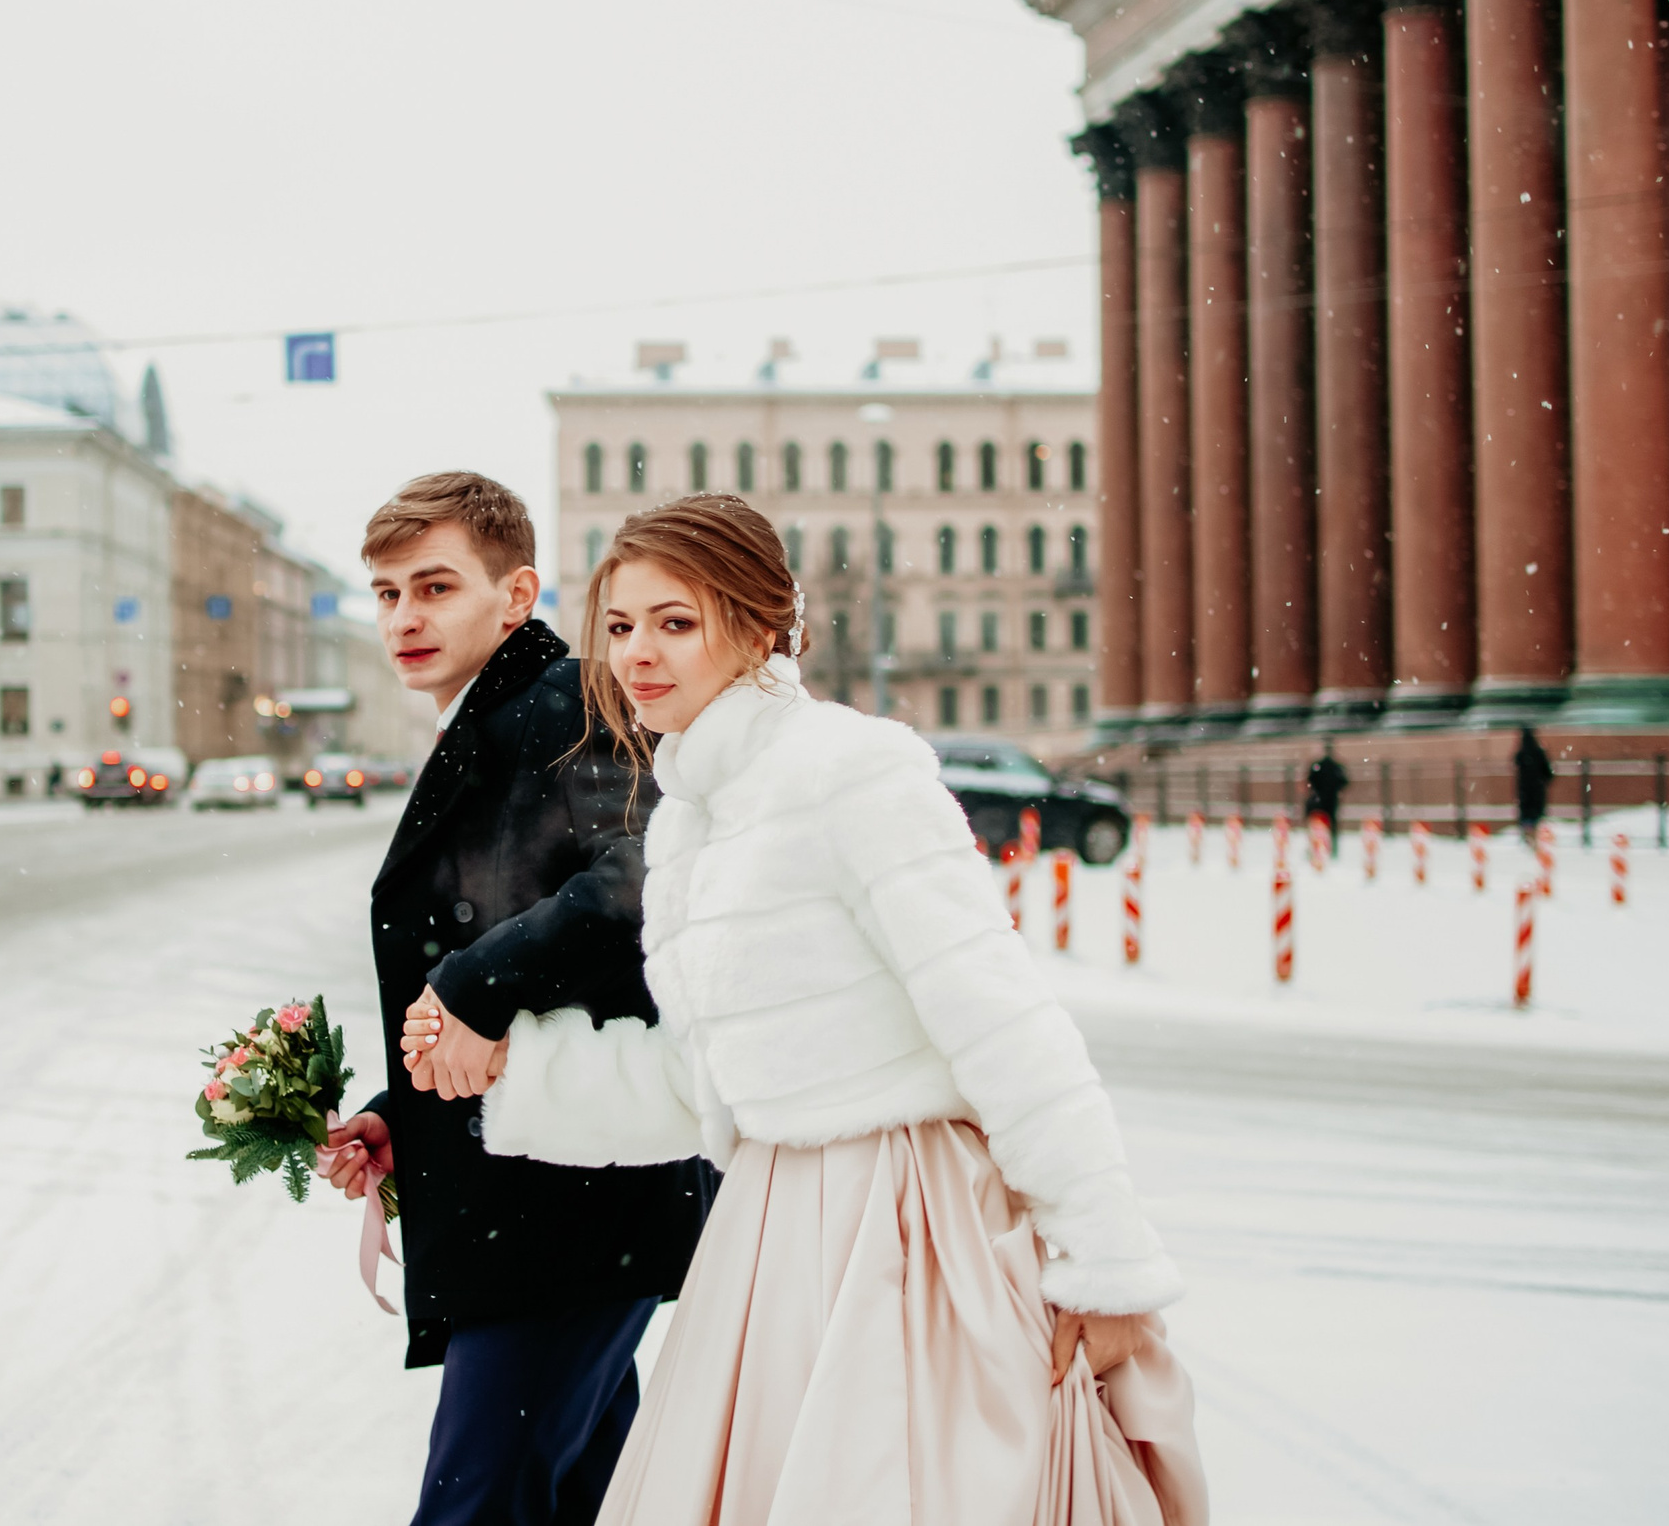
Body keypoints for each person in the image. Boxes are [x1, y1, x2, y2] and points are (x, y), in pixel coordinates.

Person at [408, 495, 1204, 1526]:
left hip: (909, 1224)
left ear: (756, 625)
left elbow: (1003, 1023)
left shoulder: (851, 768)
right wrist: (520, 1065)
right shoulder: (694, 812)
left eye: (674, 621)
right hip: (769, 1232)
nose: (636, 652)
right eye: (619, 625)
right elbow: (714, 1078)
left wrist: (1105, 1265)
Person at [317, 472, 713, 1526]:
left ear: (517, 592)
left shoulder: (567, 703)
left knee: (477, 1504)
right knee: (590, 1494)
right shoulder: (493, 718)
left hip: (569, 1203)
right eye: (387, 592)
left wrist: (471, 987)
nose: (404, 616)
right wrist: (404, 1112)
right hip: (547, 1194)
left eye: (434, 587)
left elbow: (646, 873)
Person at [1305, 741, 1348, 855]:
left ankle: (1314, 848)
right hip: (1331, 800)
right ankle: (1332, 848)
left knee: (1315, 825)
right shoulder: (1336, 767)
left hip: (1318, 800)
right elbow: (1344, 782)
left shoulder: (1318, 766)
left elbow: (1310, 780)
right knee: (1331, 825)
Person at [1515, 726, 1554, 841]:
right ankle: (1536, 840)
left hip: (1525, 792)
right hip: (1537, 791)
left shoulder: (1521, 755)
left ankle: (1528, 839)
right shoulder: (1539, 753)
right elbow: (1548, 773)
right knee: (1536, 817)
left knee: (1527, 817)